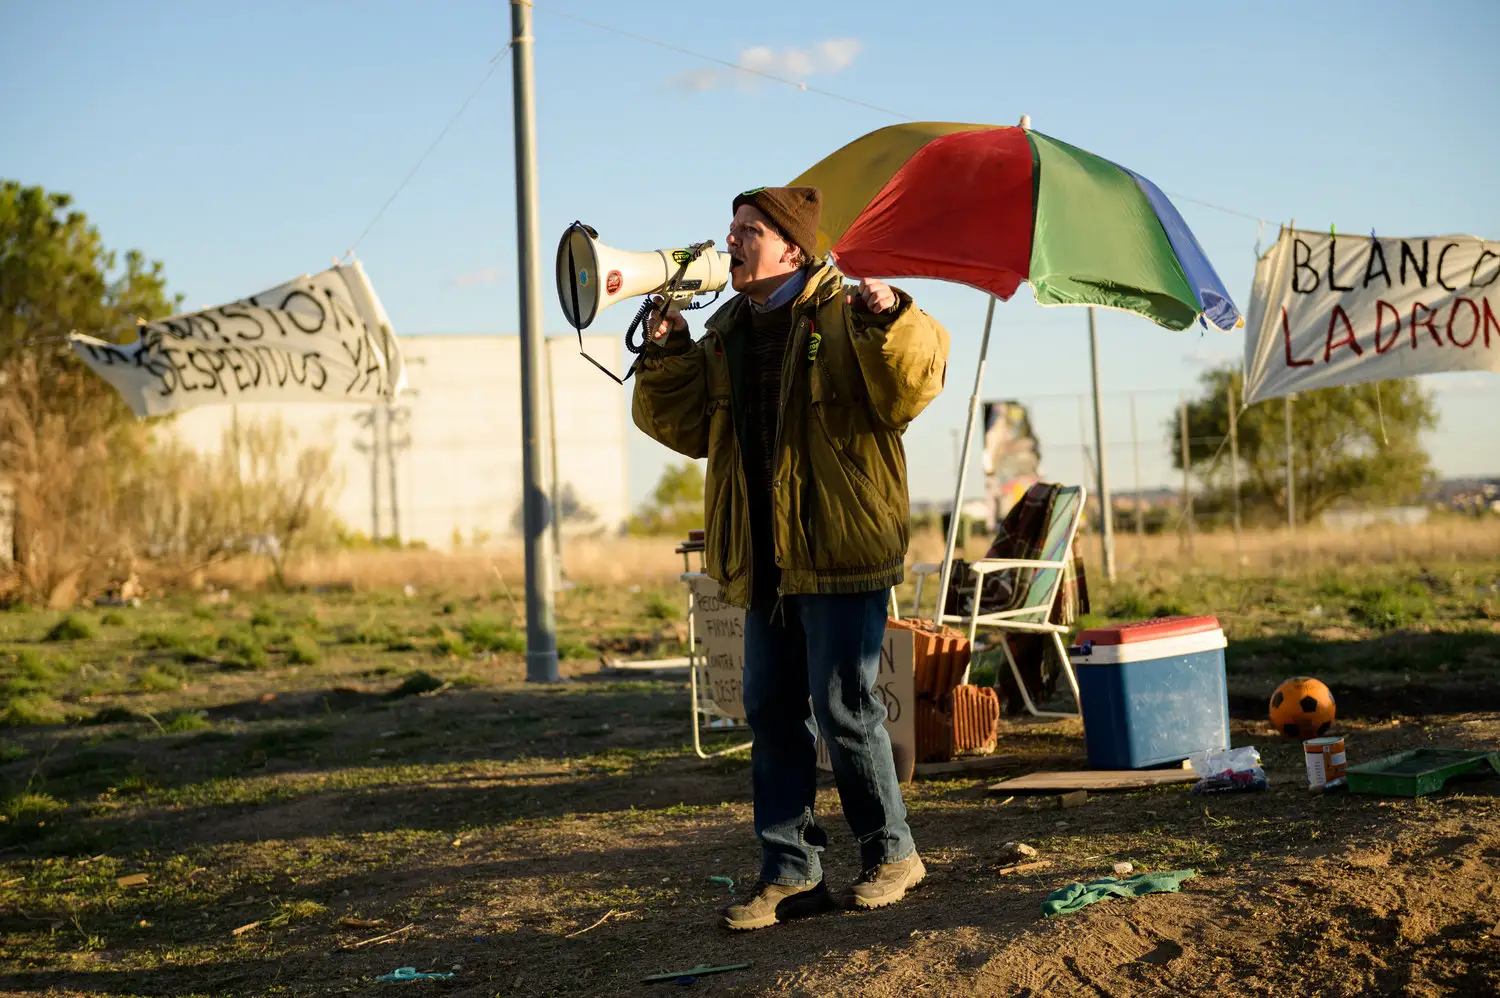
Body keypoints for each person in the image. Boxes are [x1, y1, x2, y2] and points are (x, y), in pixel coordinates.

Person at [632, 185, 950, 931]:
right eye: (732, 228)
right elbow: (681, 427)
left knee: (845, 710)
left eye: (750, 230)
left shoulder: (848, 313)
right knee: (772, 713)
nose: (732, 240)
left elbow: (913, 382)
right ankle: (790, 873)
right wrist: (667, 351)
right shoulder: (729, 331)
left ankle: (892, 854)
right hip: (764, 555)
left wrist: (895, 317)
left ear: (794, 250)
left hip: (839, 545)